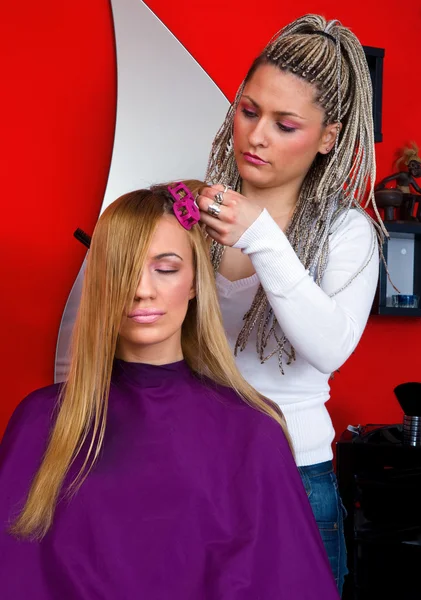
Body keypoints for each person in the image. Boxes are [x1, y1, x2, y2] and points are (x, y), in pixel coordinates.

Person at [0, 181, 339, 599]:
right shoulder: (39, 423)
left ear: (196, 282)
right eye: (122, 270)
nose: (142, 289)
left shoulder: (253, 431)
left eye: (166, 268)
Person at [196, 14, 386, 595]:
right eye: (248, 112)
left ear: (328, 138)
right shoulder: (195, 211)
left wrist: (263, 239)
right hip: (193, 467)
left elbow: (328, 349)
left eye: (285, 124)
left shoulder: (346, 232)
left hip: (293, 476)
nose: (256, 136)